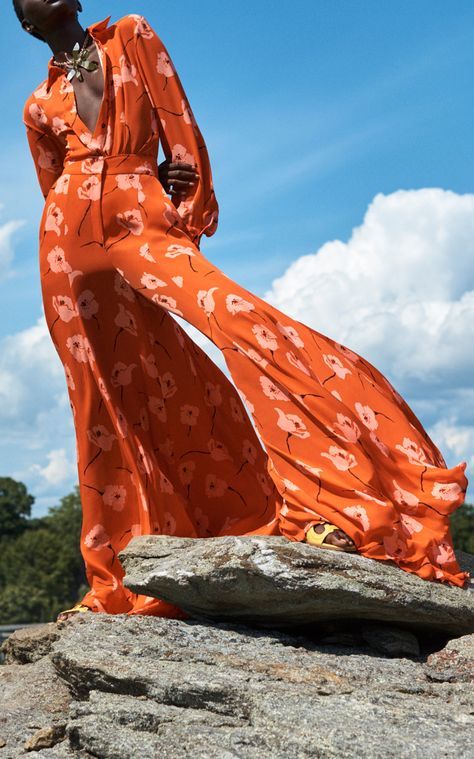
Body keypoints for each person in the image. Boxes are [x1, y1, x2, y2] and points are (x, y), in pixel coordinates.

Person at [15, 1, 470, 621]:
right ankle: (118, 574)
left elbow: (177, 117)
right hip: (68, 250)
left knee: (240, 323)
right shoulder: (37, 106)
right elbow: (51, 183)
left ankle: (337, 498)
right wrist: (75, 235)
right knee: (105, 404)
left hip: (142, 218)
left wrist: (184, 183)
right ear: (25, 22)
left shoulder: (130, 34)